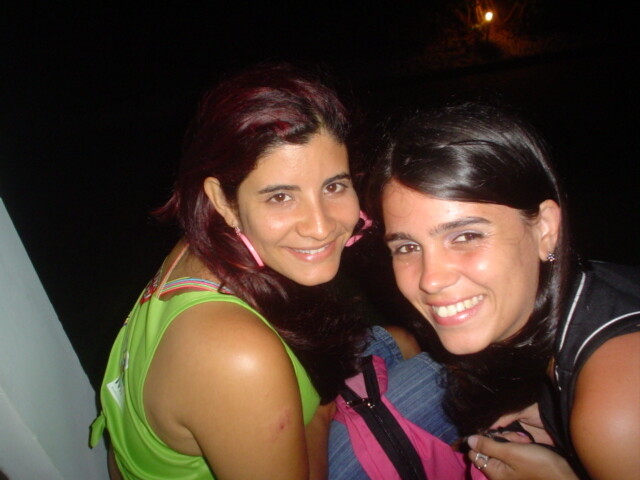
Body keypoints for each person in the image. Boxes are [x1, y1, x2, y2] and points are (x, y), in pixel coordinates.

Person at [89, 62, 380, 480]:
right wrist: (322, 407)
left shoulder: (195, 249)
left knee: (403, 341)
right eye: (280, 197)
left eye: (334, 186)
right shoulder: (237, 357)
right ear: (222, 201)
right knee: (436, 375)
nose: (320, 226)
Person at [368, 102, 640, 479]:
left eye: (466, 236)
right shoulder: (581, 290)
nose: (430, 279)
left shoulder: (616, 413)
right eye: (407, 247)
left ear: (545, 228)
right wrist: (549, 410)